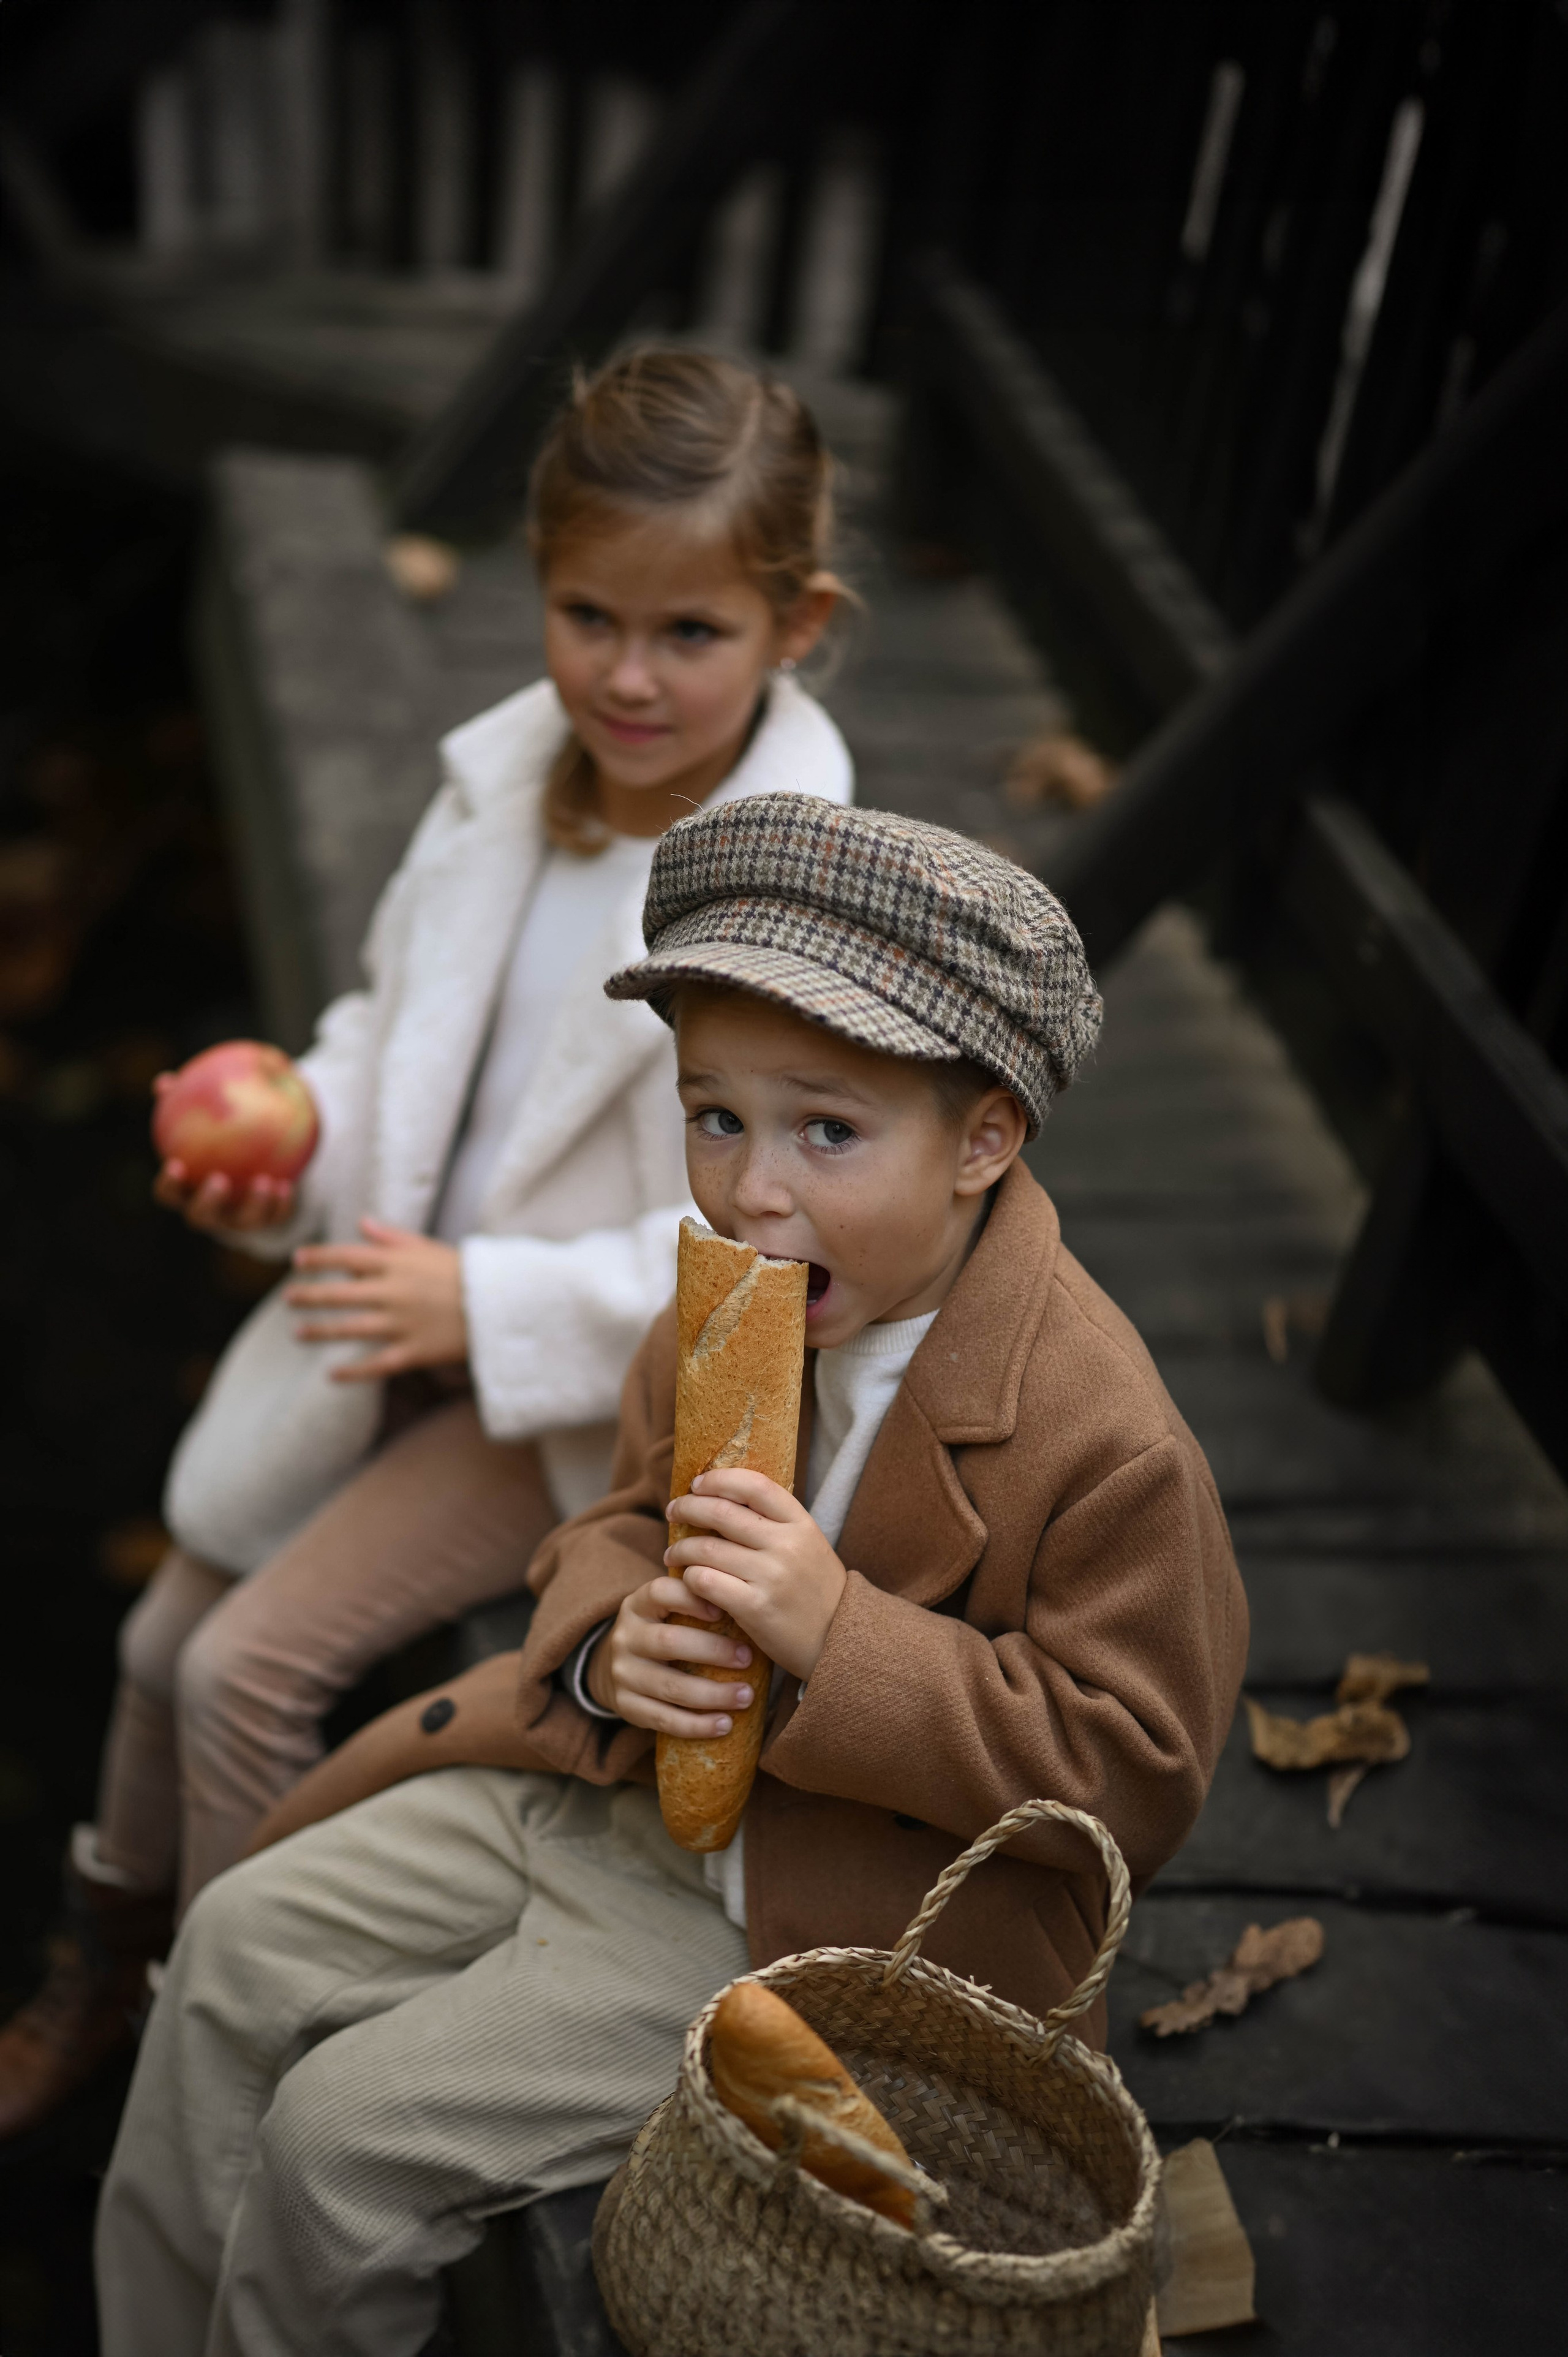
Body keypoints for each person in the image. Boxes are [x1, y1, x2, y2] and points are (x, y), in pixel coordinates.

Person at [96, 793, 1248, 2357]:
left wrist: (838, 1634)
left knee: (339, 2147)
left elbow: (1133, 1774)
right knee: (230, 1947)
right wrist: (601, 1640)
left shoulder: (1101, 1442)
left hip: (816, 1911)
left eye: (825, 1129)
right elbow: (617, 1521)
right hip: (622, 1787)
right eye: (714, 1116)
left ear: (983, 1139)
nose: (751, 1188)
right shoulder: (724, 1308)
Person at [0, 353, 852, 2140]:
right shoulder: (508, 789)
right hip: (399, 1308)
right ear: (534, 585)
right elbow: (396, 1025)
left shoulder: (780, 899)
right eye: (585, 614)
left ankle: (216, 2070)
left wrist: (487, 1301)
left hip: (566, 1388)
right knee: (160, 1647)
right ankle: (107, 1955)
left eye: (687, 632)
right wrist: (298, 1136)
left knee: (242, 1671)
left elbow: (773, 1236)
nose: (625, 674)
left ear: (798, 623)